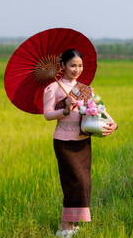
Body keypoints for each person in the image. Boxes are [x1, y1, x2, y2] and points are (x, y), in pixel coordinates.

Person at [43, 49, 117, 237]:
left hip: (83, 140)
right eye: (73, 65)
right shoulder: (53, 88)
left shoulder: (86, 89)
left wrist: (112, 122)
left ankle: (71, 223)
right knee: (74, 181)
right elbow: (47, 114)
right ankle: (64, 225)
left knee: (84, 182)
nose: (77, 69)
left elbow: (99, 108)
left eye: (80, 65)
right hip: (64, 142)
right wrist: (66, 110)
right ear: (63, 66)